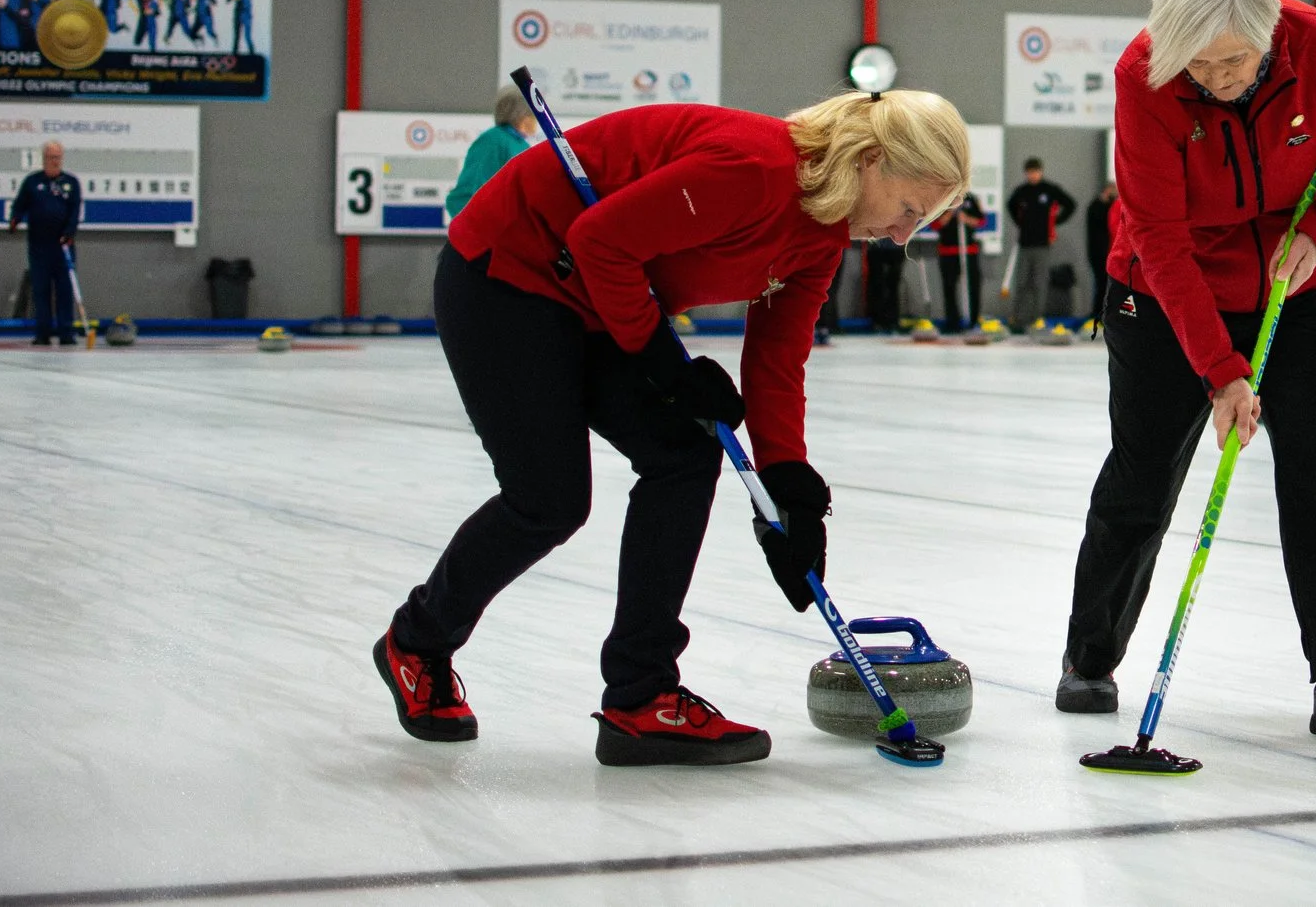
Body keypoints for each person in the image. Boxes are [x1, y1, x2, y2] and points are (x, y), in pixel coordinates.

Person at [378, 88, 970, 766]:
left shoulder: (823, 234)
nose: (902, 236)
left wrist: (790, 491)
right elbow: (598, 241)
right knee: (549, 496)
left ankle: (640, 695)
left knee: (686, 452)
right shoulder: (757, 168)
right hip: (510, 273)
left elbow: (777, 359)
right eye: (908, 211)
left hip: (596, 297)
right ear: (870, 160)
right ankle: (417, 642)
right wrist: (666, 365)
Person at [1060, 0, 1316, 740]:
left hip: (1300, 285)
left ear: (1269, 32)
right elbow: (1158, 234)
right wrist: (1223, 372)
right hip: (1164, 294)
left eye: (1235, 61)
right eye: (1200, 64)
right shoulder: (1142, 75)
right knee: (1144, 474)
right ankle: (1090, 657)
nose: (1218, 80)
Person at [8, 141, 83, 347]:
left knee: (64, 290)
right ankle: (43, 333)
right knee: (41, 290)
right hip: (39, 246)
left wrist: (69, 232)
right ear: (44, 158)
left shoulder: (71, 182)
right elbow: (20, 204)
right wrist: (15, 218)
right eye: (51, 157)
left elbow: (75, 210)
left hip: (63, 246)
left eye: (58, 157)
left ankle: (66, 332)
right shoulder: (32, 182)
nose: (55, 160)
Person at [446, 87, 539, 219]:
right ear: (521, 116)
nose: (536, 120)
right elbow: (478, 187)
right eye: (532, 115)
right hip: (479, 221)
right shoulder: (493, 140)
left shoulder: (522, 144)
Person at [1005, 158, 1075, 327]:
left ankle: (1037, 319)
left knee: (1039, 283)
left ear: (1041, 171)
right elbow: (1011, 206)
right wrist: (1020, 222)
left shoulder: (1049, 190)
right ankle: (1018, 319)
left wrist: (1054, 221)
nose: (1033, 175)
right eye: (1030, 172)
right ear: (1026, 173)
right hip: (1025, 244)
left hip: (1043, 244)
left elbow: (1070, 204)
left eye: (1035, 172)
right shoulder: (1022, 191)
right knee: (1021, 282)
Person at [928, 191, 985, 333]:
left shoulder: (972, 198)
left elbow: (982, 221)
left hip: (968, 250)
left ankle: (973, 320)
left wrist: (965, 219)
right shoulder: (941, 198)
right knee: (949, 287)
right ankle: (952, 321)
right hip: (948, 250)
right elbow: (935, 225)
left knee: (973, 285)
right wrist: (951, 213)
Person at [1085, 180, 1117, 326]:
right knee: (1102, 284)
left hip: (1106, 251)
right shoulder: (1097, 207)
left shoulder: (1109, 207)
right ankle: (1098, 314)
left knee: (1105, 285)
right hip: (1100, 253)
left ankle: (1104, 314)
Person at [862, 239, 904, 332]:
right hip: (878, 247)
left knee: (891, 286)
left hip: (893, 247)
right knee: (878, 284)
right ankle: (879, 320)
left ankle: (890, 320)